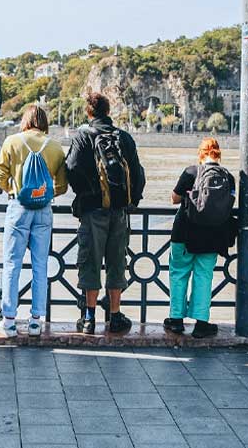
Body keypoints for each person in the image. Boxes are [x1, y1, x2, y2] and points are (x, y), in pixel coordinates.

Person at [66, 92, 145, 334]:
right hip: (120, 211)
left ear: (88, 112)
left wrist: (85, 194)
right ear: (108, 111)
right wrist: (132, 200)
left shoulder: (83, 136)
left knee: (90, 262)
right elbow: (138, 173)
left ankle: (89, 318)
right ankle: (115, 316)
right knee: (117, 263)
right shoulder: (124, 138)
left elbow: (72, 167)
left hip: (92, 211)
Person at [0, 105, 68, 337]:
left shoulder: (12, 142)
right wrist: (43, 195)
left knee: (12, 264)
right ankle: (35, 322)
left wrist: (14, 191)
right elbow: (62, 186)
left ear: (25, 121)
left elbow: (0, 176)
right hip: (44, 210)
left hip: (18, 208)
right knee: (40, 265)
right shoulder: (55, 147)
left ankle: (9, 322)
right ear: (44, 122)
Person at [164, 138, 236, 338]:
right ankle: (201, 323)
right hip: (213, 236)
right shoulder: (228, 177)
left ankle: (176, 320)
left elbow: (174, 198)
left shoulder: (190, 172)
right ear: (218, 153)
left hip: (184, 234)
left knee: (179, 273)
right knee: (204, 276)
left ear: (201, 153)